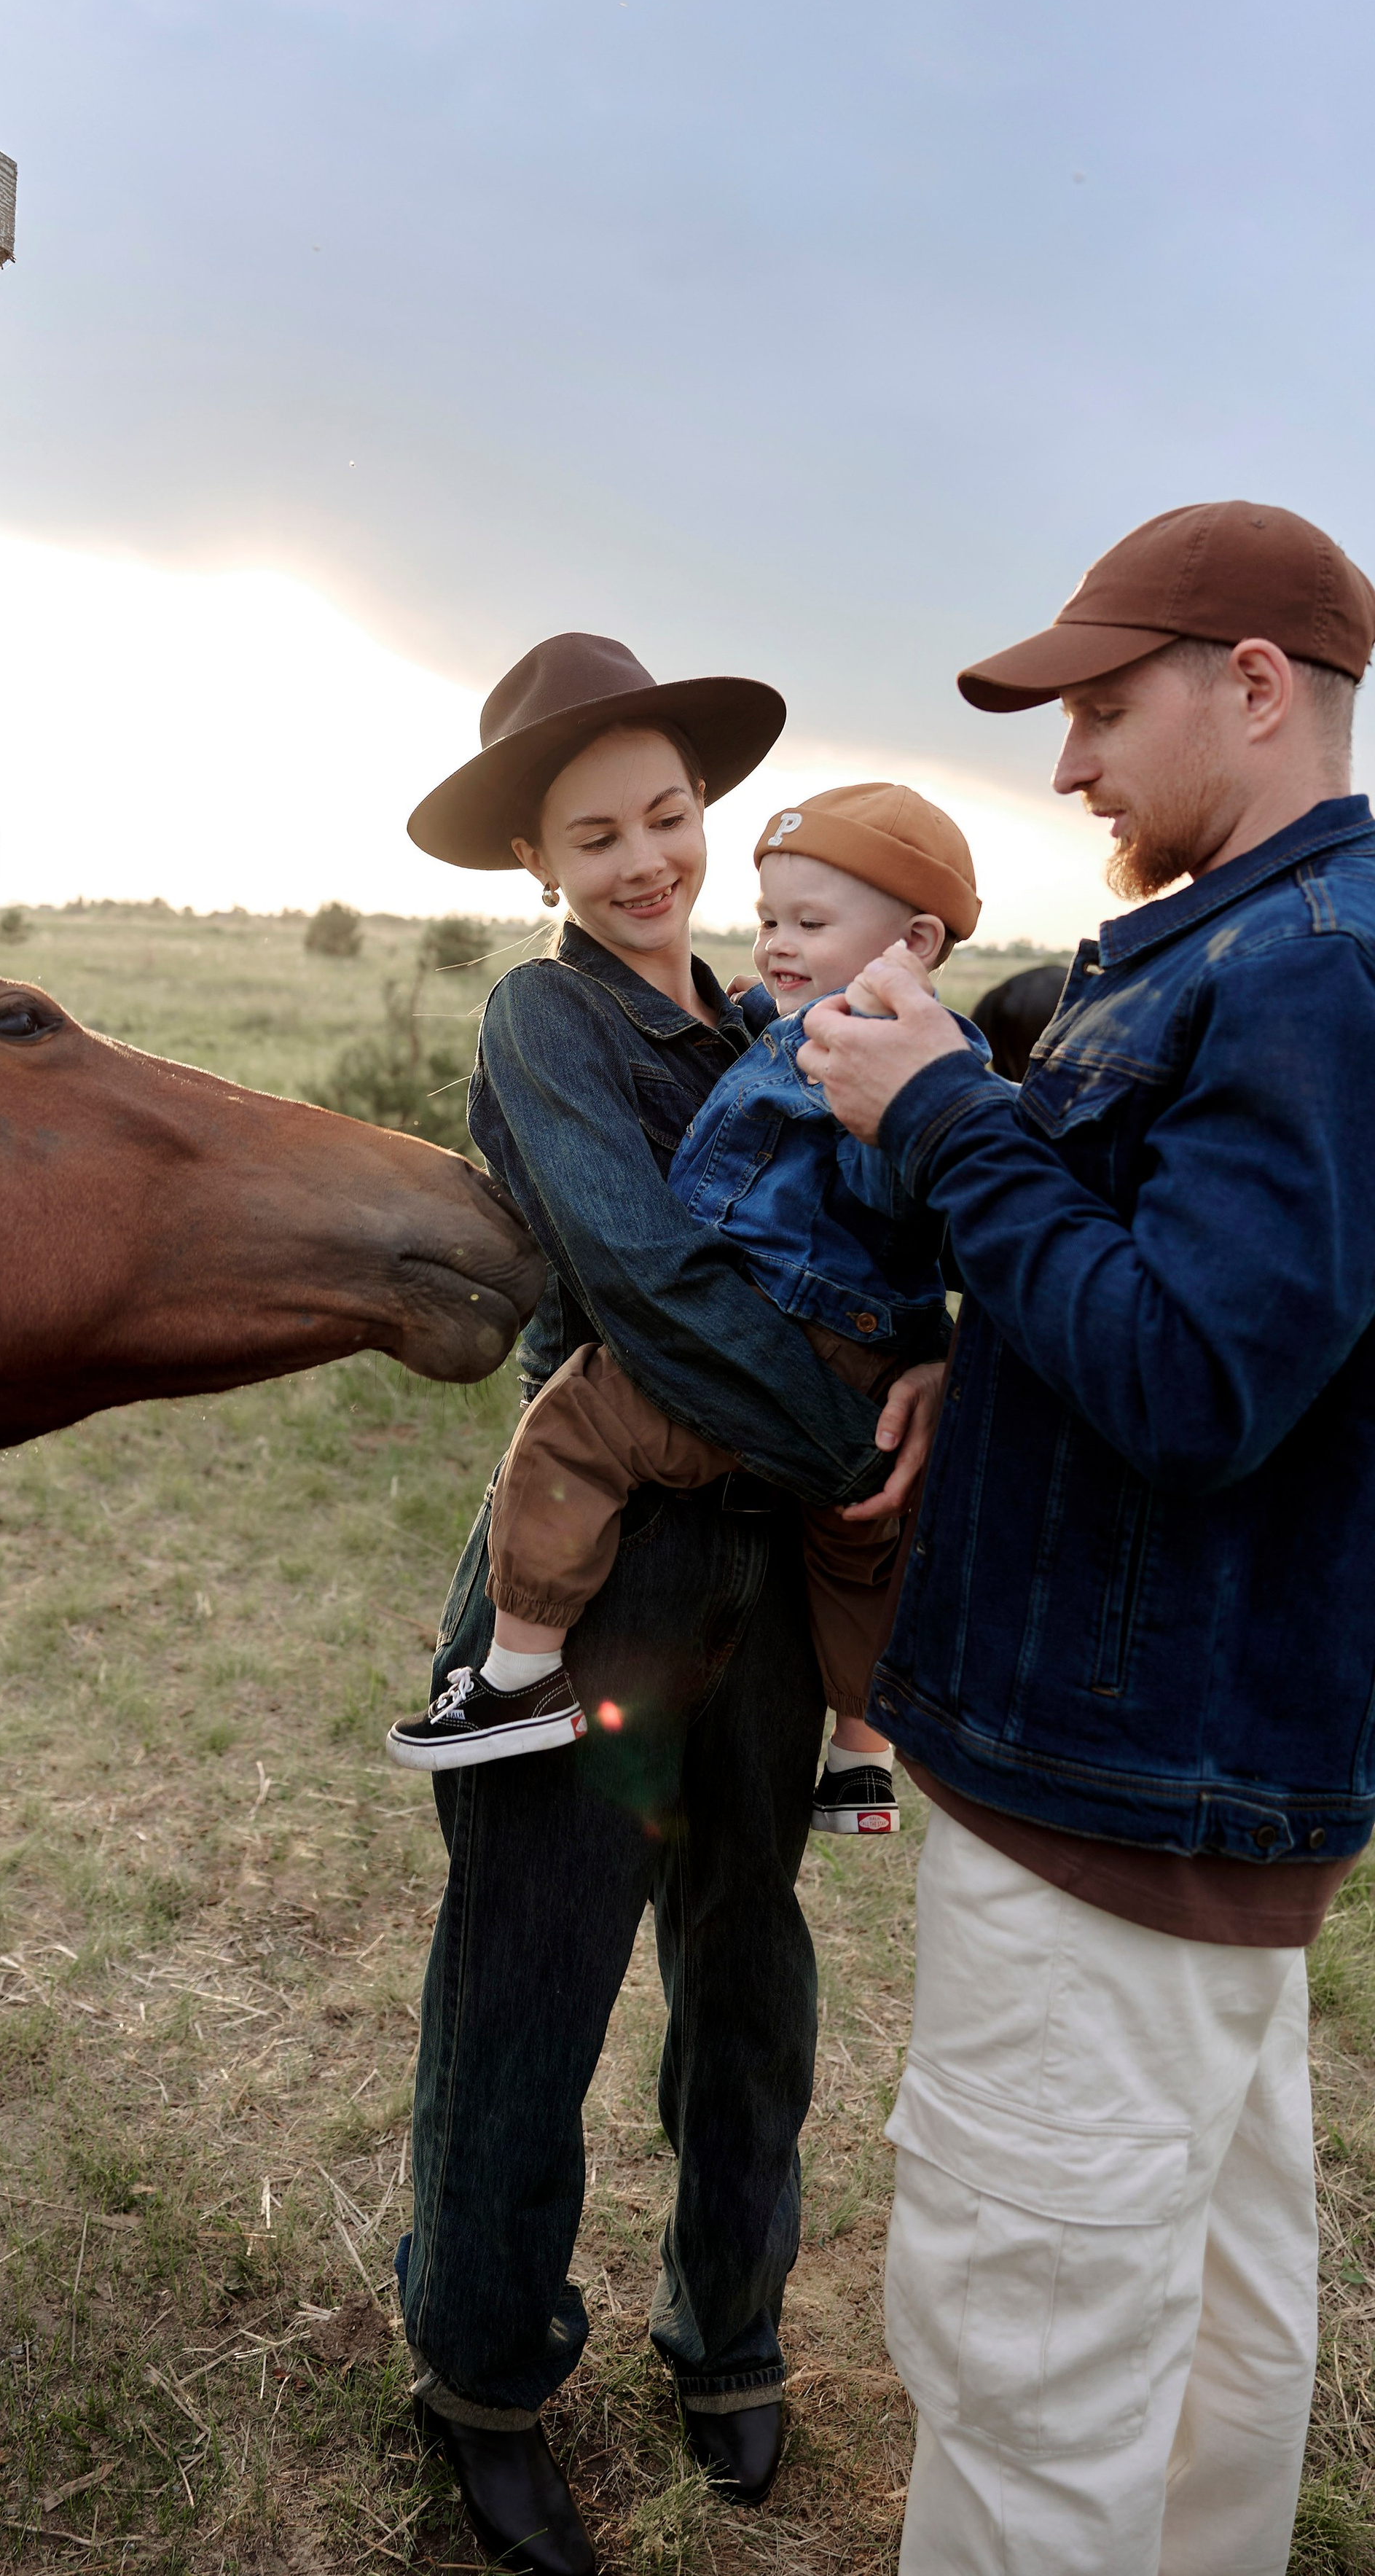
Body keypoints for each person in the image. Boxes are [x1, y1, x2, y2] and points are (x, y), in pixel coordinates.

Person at [798, 499, 1375, 2576]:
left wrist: (945, 1114)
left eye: (1101, 708)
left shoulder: (1309, 974)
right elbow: (1180, 1307)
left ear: (1251, 686)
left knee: (1036, 2381)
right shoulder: (1260, 943)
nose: (1064, 767)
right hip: (1189, 1784)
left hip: (1115, 1796)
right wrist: (991, 1353)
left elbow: (1199, 1383)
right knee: (1208, 2354)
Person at [393, 634, 944, 2576]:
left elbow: (890, 1233)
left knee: (749, 1970)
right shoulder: (544, 1027)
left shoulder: (772, 1013)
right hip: (608, 1577)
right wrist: (845, 1432)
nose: (648, 860)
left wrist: (934, 1364)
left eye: (670, 816)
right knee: (529, 1991)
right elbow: (645, 1285)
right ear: (538, 862)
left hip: (765, 1596)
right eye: (597, 834)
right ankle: (480, 2378)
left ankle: (725, 2332)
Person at [386, 783, 990, 1845]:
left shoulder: (884, 1053)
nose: (778, 944)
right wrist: (898, 1392)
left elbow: (914, 1206)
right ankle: (862, 1753)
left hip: (790, 1339)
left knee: (575, 1426)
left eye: (809, 925)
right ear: (540, 857)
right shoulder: (589, 1011)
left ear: (917, 939)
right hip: (837, 1366)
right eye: (770, 921)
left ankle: (519, 1673)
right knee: (860, 1546)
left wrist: (909, 1377)